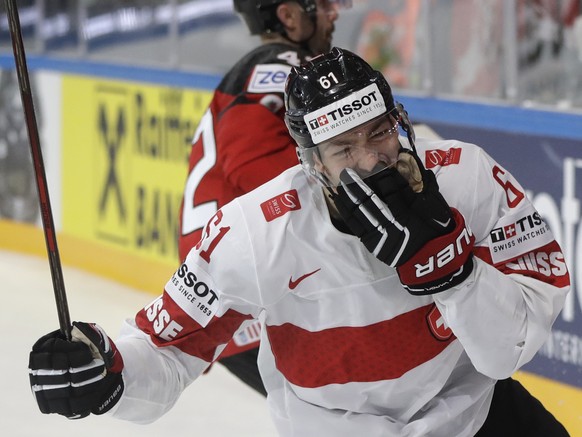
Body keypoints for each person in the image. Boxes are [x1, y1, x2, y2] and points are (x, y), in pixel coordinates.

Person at [28, 48, 571, 436]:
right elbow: (166, 345)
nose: (372, 159)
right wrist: (106, 373)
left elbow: (506, 352)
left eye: (380, 131)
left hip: (467, 409)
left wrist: (457, 275)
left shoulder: (467, 179)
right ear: (310, 164)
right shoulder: (257, 233)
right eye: (343, 147)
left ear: (400, 120)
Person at [178, 0, 350, 396]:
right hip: (253, 293)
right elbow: (249, 162)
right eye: (323, 5)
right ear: (289, 15)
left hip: (235, 295)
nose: (334, 14)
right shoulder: (282, 64)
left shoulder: (265, 67)